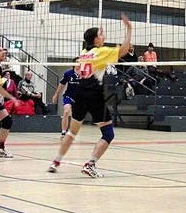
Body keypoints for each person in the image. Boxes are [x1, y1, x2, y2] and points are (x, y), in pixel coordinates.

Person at [48, 13, 132, 177]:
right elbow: (124, 50)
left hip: (80, 94)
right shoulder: (101, 52)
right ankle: (90, 164)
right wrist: (129, 29)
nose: (104, 36)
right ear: (96, 39)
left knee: (72, 132)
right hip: (94, 96)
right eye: (101, 35)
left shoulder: (83, 52)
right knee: (108, 134)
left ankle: (56, 161)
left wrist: (99, 33)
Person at [51, 58, 80, 140]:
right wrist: (56, 95)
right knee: (66, 111)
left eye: (80, 62)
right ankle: (63, 132)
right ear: (74, 64)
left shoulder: (85, 74)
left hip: (79, 98)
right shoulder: (68, 74)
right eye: (77, 62)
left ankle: (72, 133)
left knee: (76, 117)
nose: (79, 64)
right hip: (68, 96)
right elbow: (61, 85)